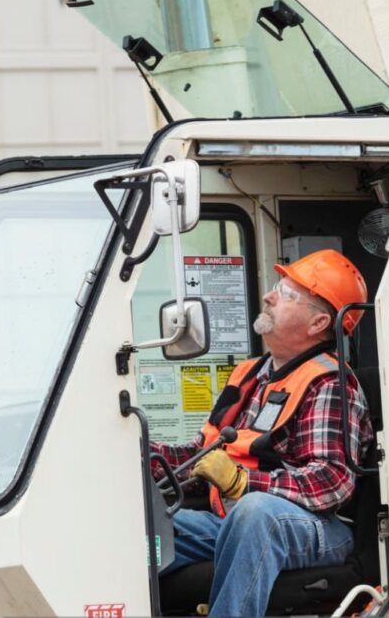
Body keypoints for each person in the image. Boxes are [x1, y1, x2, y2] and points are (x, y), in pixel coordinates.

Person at [151, 249, 373, 617]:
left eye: (286, 295)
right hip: (230, 519)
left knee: (257, 513)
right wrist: (139, 455)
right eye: (276, 288)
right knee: (146, 526)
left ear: (318, 323)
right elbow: (201, 457)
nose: (269, 296)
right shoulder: (251, 374)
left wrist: (242, 483)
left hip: (317, 529)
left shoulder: (329, 383)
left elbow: (333, 481)